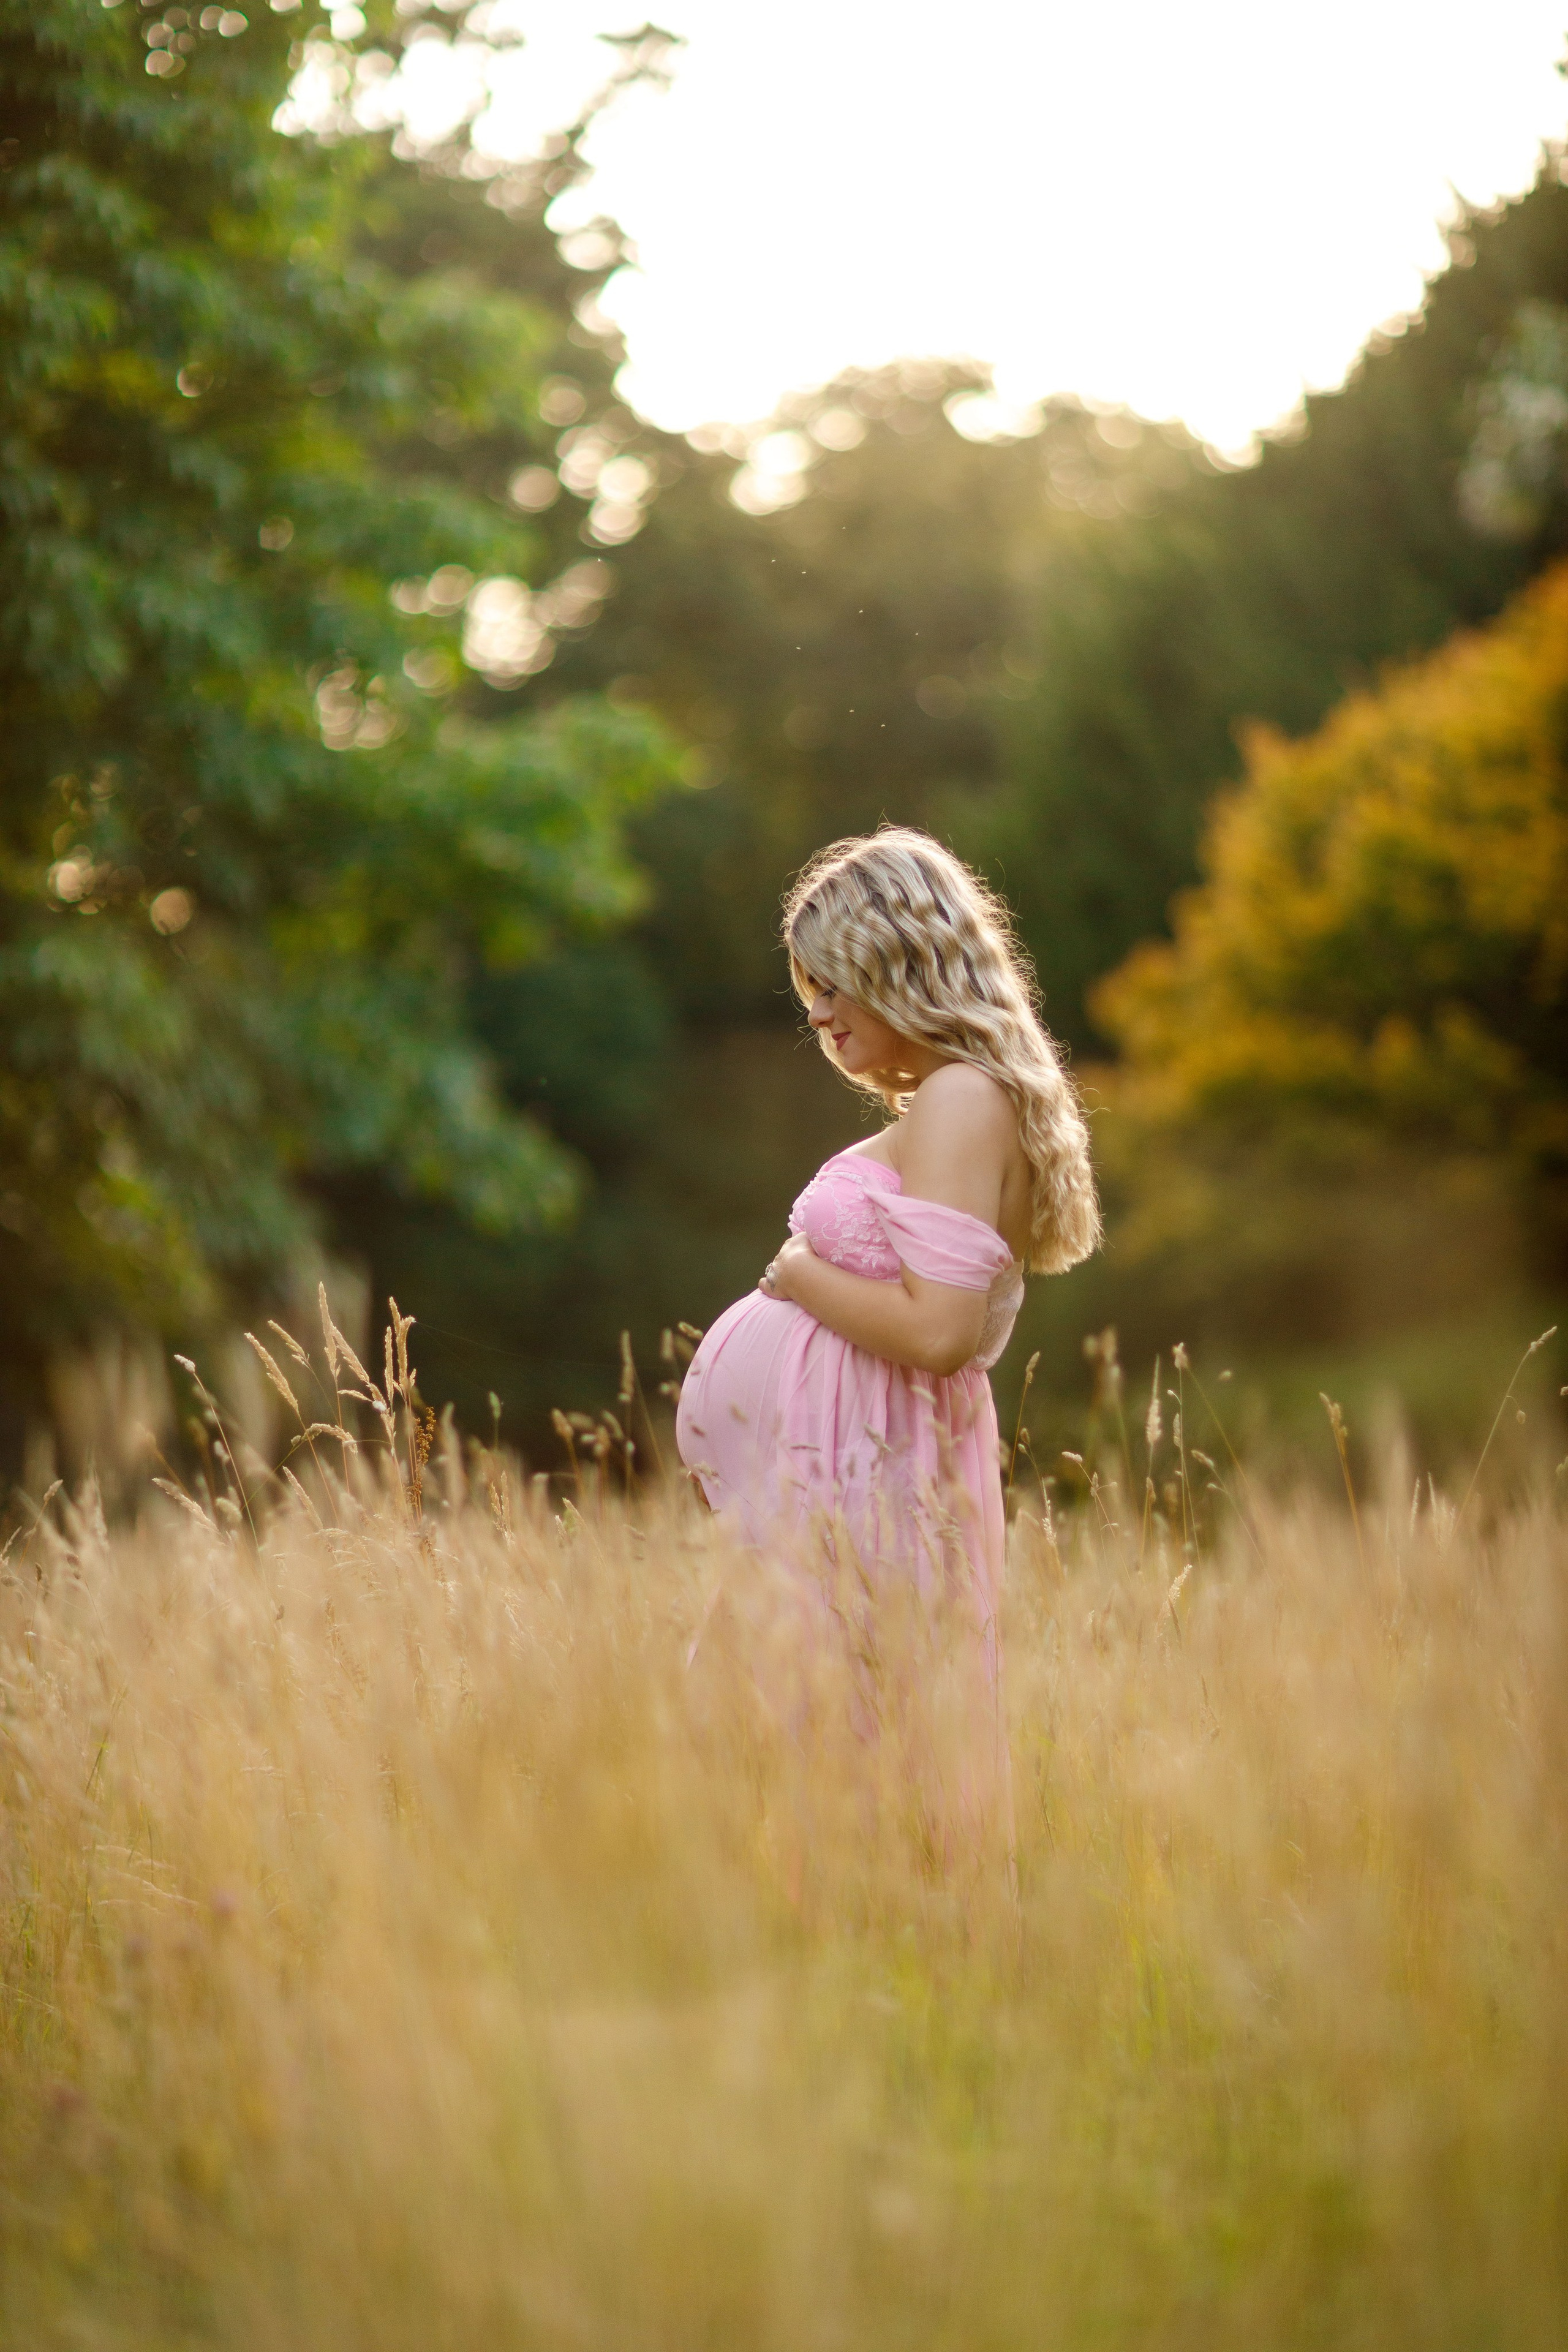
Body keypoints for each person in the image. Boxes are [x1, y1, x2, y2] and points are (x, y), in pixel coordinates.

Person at [676, 829, 1099, 1842]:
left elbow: (943, 1330)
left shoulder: (960, 1098)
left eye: (836, 982)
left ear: (904, 967)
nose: (815, 1011)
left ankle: (865, 1974)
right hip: (845, 1480)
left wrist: (797, 1275)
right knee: (792, 1740)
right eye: (806, 985)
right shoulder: (948, 1101)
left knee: (849, 1751)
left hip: (880, 1482)